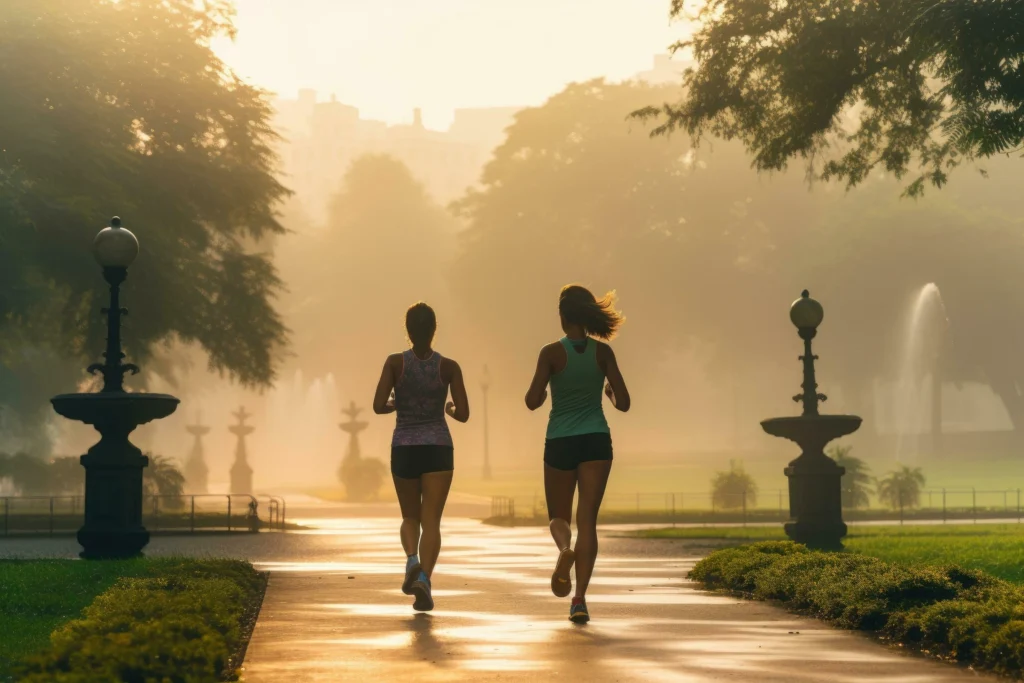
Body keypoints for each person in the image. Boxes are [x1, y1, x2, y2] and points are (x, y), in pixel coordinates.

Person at [525, 285, 630, 624]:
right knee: (588, 522)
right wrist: (609, 394)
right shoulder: (603, 354)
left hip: (560, 441)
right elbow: (624, 402)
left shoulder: (551, 353)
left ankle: (564, 551)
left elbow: (531, 399)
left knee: (558, 516)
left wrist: (543, 395)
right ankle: (580, 600)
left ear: (563, 316)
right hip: (596, 441)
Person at [373, 302, 469, 612]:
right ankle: (425, 580)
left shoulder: (394, 363)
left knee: (410, 517)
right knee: (433, 522)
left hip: (404, 448)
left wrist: (395, 403)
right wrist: (449, 409)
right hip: (439, 448)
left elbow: (378, 405)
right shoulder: (449, 367)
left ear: (409, 330)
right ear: (434, 330)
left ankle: (412, 561)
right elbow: (463, 413)